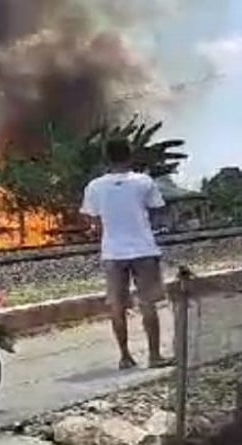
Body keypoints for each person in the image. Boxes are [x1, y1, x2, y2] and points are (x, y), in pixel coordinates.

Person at [81, 138, 174, 370]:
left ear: (107, 158)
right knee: (148, 304)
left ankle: (125, 357)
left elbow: (91, 218)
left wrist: (106, 227)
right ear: (130, 155)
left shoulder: (95, 186)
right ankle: (154, 356)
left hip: (113, 253)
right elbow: (156, 210)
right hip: (144, 249)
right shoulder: (144, 181)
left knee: (117, 306)